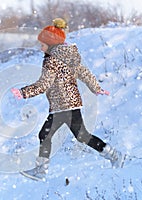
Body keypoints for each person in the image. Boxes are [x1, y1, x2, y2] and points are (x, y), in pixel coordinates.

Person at [11, 18, 124, 181]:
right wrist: (95, 87)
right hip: (71, 104)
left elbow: (44, 83)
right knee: (82, 136)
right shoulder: (69, 55)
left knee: (45, 135)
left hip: (61, 105)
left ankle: (41, 170)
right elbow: (83, 72)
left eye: (42, 44)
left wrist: (24, 92)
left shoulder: (51, 60)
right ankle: (114, 155)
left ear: (50, 44)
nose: (40, 47)